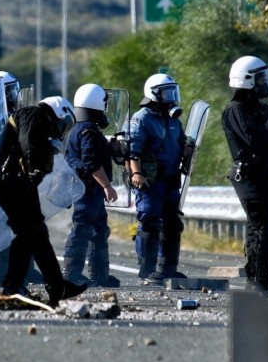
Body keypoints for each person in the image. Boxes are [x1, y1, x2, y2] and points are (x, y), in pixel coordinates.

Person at [0, 95, 88, 307]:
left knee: (37, 232)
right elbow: (28, 142)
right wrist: (36, 168)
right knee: (29, 232)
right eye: (65, 122)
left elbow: (36, 151)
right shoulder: (34, 114)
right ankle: (14, 286)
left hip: (19, 181)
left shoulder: (40, 123)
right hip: (9, 180)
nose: (63, 128)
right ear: (58, 111)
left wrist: (40, 166)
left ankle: (55, 286)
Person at [222, 56, 268, 296]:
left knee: (258, 228)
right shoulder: (235, 110)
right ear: (246, 80)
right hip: (249, 176)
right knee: (262, 229)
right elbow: (254, 139)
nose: (263, 83)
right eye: (259, 78)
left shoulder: (257, 107)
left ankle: (256, 283)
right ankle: (259, 284)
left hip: (262, 175)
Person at [128, 73, 187, 283]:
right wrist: (136, 173)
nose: (171, 97)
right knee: (150, 222)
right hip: (150, 181)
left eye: (173, 91)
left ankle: (167, 269)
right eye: (166, 92)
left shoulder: (174, 121)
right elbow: (132, 149)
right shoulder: (141, 118)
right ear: (153, 94)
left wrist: (189, 149)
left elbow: (181, 143)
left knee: (172, 224)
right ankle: (147, 270)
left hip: (171, 179)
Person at [64, 83, 120, 288]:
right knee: (82, 229)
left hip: (89, 189)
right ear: (97, 104)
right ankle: (71, 274)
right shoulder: (87, 130)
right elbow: (91, 163)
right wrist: (107, 186)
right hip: (87, 189)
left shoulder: (83, 129)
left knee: (98, 230)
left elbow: (94, 156)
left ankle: (99, 276)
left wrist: (110, 148)